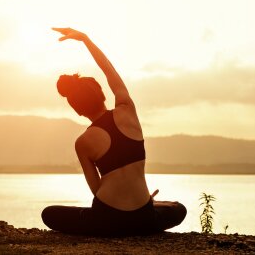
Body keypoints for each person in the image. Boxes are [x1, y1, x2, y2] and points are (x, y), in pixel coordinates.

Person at [41, 27, 186, 236]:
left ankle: (120, 220)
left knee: (50, 214)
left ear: (78, 110)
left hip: (107, 221)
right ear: (102, 94)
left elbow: (97, 190)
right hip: (143, 218)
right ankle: (151, 207)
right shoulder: (128, 111)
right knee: (178, 209)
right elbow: (109, 70)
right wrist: (85, 39)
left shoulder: (83, 142)